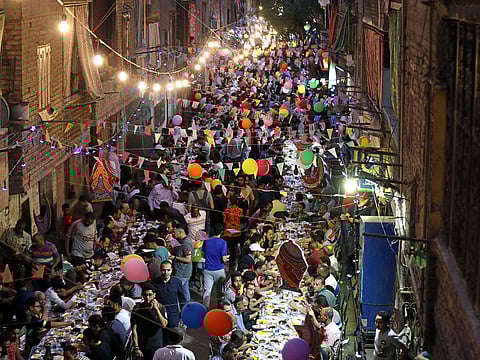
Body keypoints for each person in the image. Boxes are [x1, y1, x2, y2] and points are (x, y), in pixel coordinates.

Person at [131, 282, 168, 360]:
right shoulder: (137, 308)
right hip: (142, 345)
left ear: (154, 295)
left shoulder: (161, 308)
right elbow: (134, 329)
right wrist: (136, 347)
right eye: (145, 295)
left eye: (150, 295)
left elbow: (164, 324)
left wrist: (156, 309)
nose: (147, 297)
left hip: (156, 345)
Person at [153, 261, 186, 329]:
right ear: (160, 270)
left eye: (168, 270)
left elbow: (182, 299)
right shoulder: (155, 283)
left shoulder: (177, 282)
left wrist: (184, 315)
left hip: (173, 316)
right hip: (159, 315)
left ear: (172, 270)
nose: (166, 272)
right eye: (163, 270)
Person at [203, 223, 229, 308]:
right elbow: (223, 258)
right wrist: (228, 258)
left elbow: (203, 253)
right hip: (219, 270)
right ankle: (220, 307)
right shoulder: (223, 242)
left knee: (207, 292)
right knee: (220, 290)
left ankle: (205, 309)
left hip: (208, 270)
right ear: (221, 232)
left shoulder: (206, 241)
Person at [171, 224, 193, 302]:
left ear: (180, 232)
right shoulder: (182, 241)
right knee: (185, 291)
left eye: (174, 232)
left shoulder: (186, 243)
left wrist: (175, 258)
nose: (172, 234)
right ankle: (187, 307)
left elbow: (188, 259)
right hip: (183, 272)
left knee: (178, 292)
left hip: (182, 272)